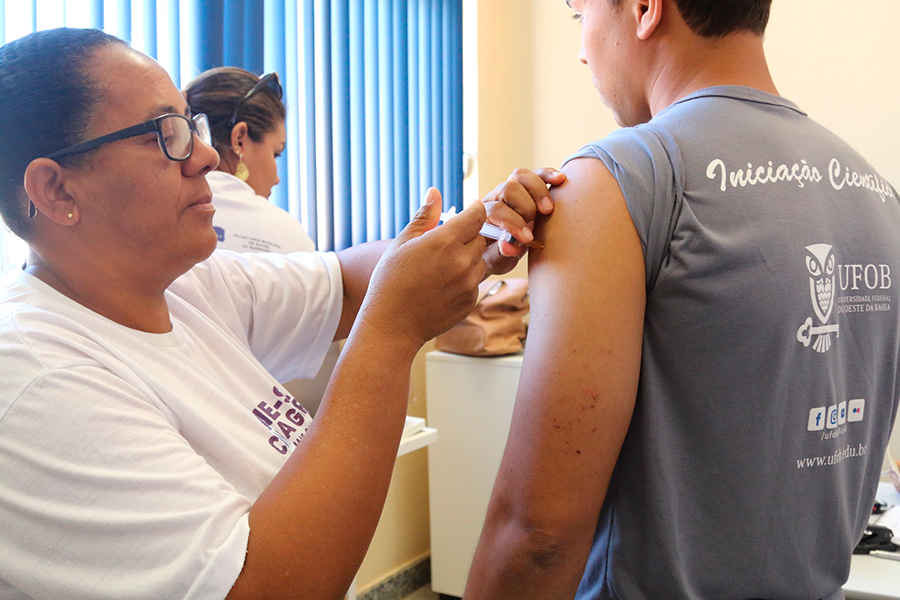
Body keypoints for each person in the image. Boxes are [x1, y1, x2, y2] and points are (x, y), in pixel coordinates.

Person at [0, 28, 561, 600]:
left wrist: (475, 235)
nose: (207, 156)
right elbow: (260, 588)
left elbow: (343, 285)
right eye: (163, 135)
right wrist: (393, 332)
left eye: (189, 125)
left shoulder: (185, 285)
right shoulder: (38, 377)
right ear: (55, 190)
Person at [465, 1, 900, 599]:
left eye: (579, 14)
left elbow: (539, 536)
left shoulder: (615, 182)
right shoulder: (880, 197)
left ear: (644, 9)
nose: (584, 48)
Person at [184, 67, 327, 414]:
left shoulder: (151, 226)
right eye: (276, 153)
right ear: (240, 139)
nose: (277, 177)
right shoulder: (285, 232)